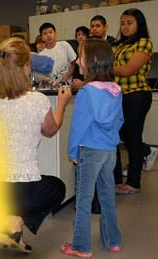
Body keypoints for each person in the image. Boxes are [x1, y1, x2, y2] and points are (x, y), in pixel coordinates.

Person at [0, 37, 71, 253]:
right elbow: (51, 129)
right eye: (29, 63)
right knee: (57, 189)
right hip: (24, 188)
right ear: (25, 67)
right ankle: (15, 220)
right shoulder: (36, 100)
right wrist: (62, 105)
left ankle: (9, 225)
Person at [62, 38, 123, 258]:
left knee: (84, 200)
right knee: (107, 196)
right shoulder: (116, 89)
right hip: (109, 151)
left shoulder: (87, 92)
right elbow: (120, 121)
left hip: (89, 150)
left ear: (93, 61)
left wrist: (72, 152)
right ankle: (113, 240)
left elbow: (79, 126)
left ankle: (80, 245)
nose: (77, 61)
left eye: (81, 56)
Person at [112, 8, 157, 194]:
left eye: (129, 23)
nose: (125, 27)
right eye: (122, 23)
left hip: (136, 95)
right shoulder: (117, 44)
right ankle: (145, 152)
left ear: (139, 24)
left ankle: (133, 183)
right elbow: (115, 68)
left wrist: (105, 65)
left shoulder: (144, 43)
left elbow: (128, 70)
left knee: (131, 138)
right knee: (118, 137)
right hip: (117, 96)